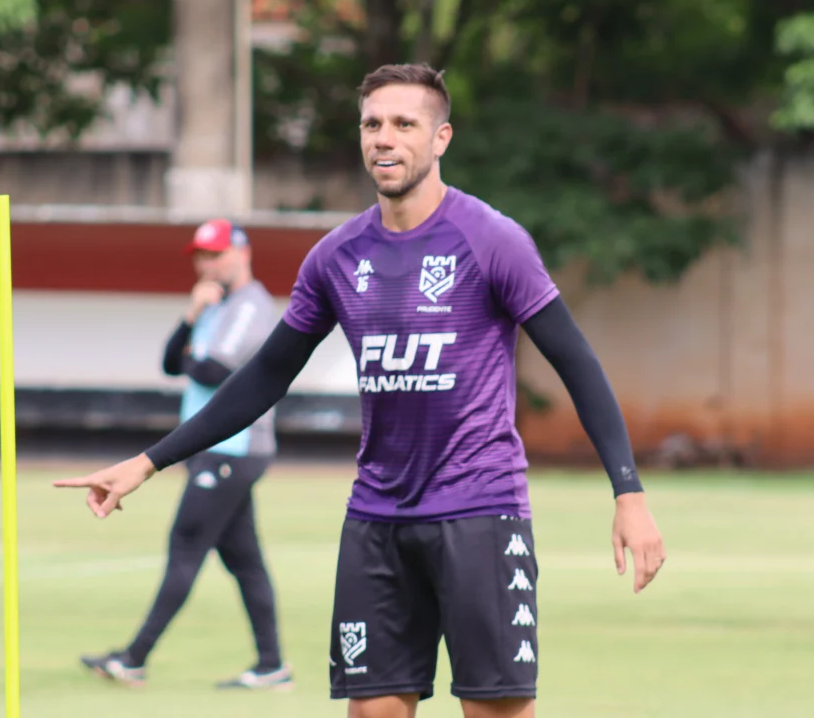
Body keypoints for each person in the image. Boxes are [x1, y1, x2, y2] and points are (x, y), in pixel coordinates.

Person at [55, 63, 667, 718]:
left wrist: (627, 492)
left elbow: (576, 362)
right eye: (372, 124)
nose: (384, 138)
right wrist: (149, 461)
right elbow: (265, 375)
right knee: (373, 710)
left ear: (441, 138)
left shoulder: (492, 241)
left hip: (479, 511)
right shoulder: (336, 257)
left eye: (405, 124)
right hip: (376, 519)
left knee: (494, 711)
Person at [79, 219, 292, 691]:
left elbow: (213, 369)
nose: (206, 263)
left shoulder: (250, 304)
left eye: (215, 254)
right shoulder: (213, 303)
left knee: (186, 547)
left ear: (242, 253)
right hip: (214, 450)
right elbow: (173, 361)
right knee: (245, 560)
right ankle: (272, 665)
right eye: (201, 255)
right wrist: (192, 316)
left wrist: (196, 335)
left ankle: (134, 658)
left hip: (233, 448)